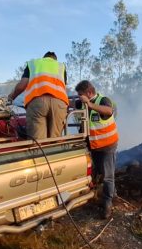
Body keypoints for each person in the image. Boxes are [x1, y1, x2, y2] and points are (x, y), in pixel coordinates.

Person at [75, 80, 118, 219]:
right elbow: (70, 106)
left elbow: (108, 111)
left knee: (107, 176)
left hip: (107, 145)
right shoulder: (82, 103)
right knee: (98, 171)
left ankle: (107, 204)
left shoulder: (103, 100)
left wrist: (90, 104)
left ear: (89, 93)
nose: (79, 97)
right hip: (93, 146)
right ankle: (112, 194)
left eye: (81, 95)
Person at [8, 51, 69, 139]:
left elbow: (22, 85)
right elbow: (64, 86)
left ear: (43, 58)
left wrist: (10, 97)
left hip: (38, 102)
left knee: (38, 142)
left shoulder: (33, 64)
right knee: (56, 139)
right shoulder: (61, 66)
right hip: (59, 103)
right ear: (55, 60)